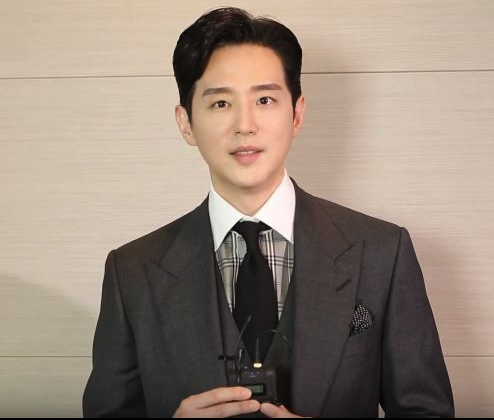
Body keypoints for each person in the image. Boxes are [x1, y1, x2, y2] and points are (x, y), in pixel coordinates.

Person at [82, 7, 454, 418]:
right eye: (220, 103)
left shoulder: (383, 252)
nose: (245, 125)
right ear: (186, 123)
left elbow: (427, 411)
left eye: (264, 99)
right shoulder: (132, 272)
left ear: (297, 114)